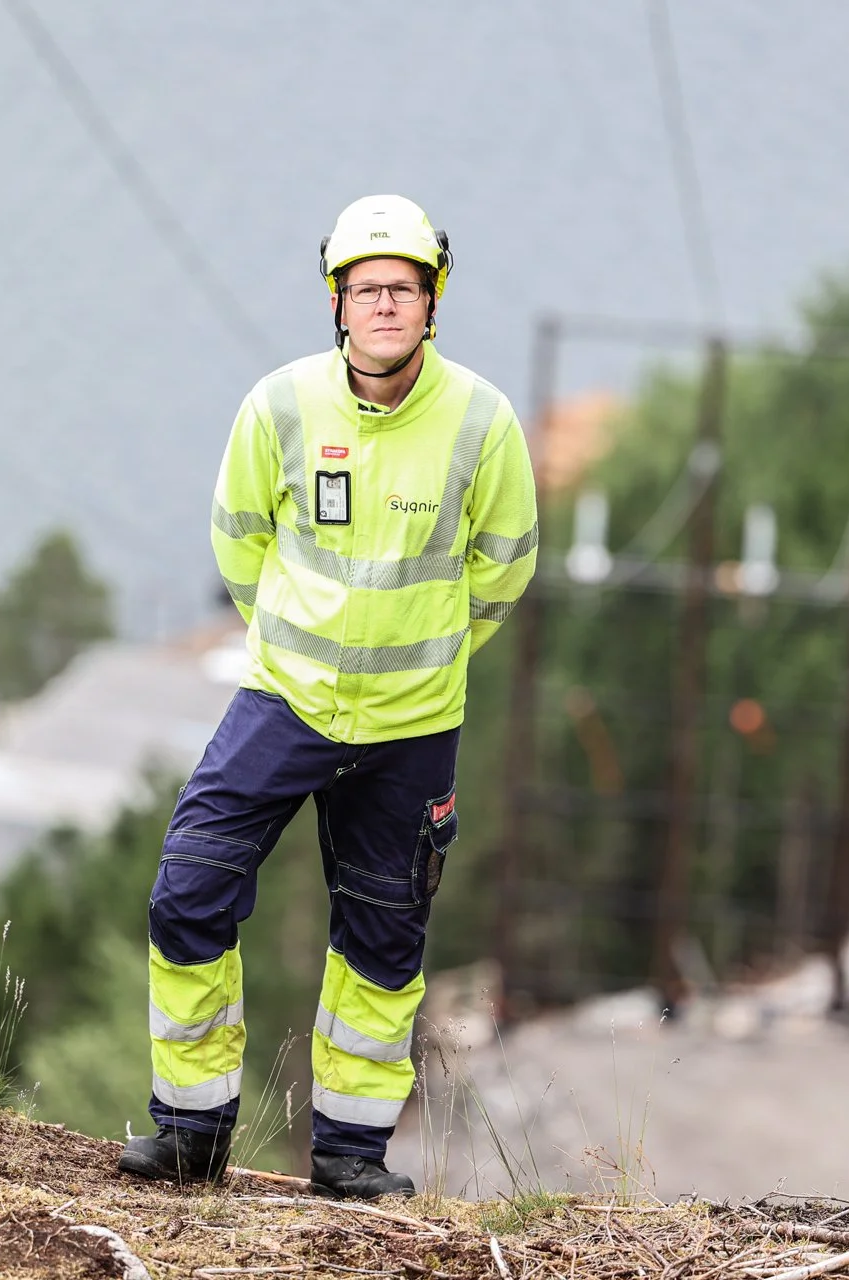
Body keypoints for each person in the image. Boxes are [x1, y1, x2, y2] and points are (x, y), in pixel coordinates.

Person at [118, 195, 539, 1198]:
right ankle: (190, 1131)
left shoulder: (483, 420)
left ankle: (350, 1154)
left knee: (384, 942)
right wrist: (298, 640)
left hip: (413, 727)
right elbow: (240, 540)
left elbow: (507, 565)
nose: (384, 305)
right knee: (187, 891)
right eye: (366, 289)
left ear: (431, 302)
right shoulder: (280, 407)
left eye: (403, 287)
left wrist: (421, 653)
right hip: (283, 702)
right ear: (337, 303)